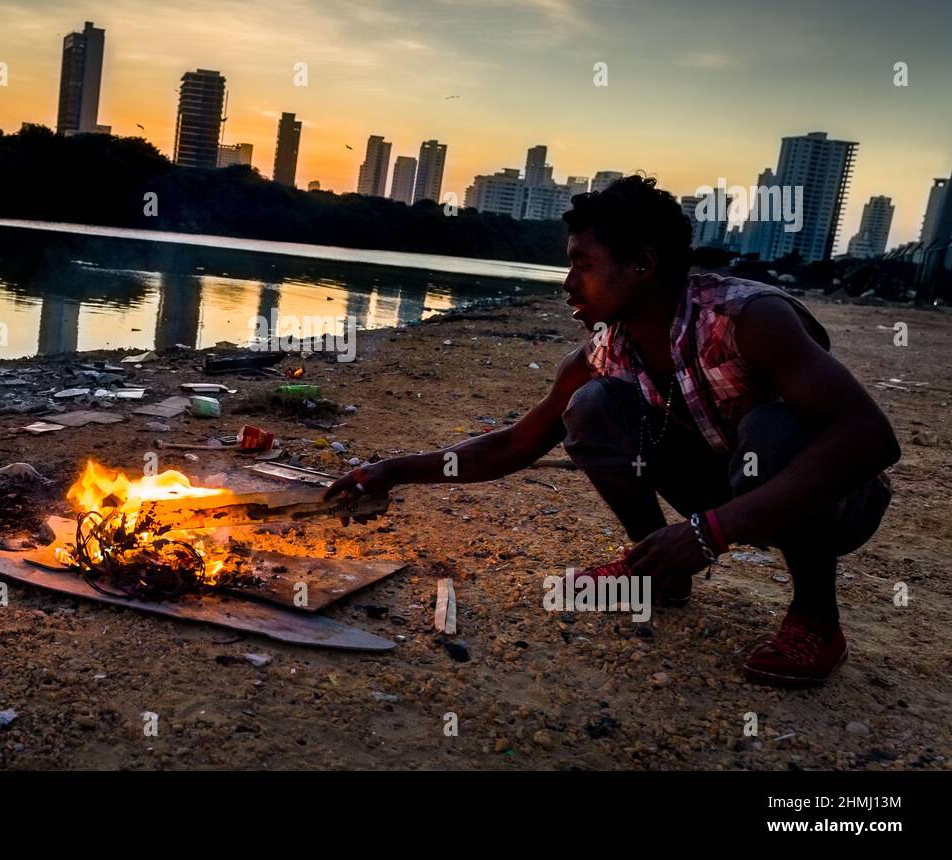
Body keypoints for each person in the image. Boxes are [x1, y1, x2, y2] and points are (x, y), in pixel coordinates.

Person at [325, 176, 898, 686]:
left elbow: (870, 438)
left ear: (644, 265)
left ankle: (817, 620)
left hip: (831, 498)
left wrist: (709, 533)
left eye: (583, 264)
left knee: (773, 429)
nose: (568, 283)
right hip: (728, 490)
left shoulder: (748, 318)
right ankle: (658, 571)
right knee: (591, 404)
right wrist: (391, 471)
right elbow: (515, 444)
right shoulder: (607, 348)